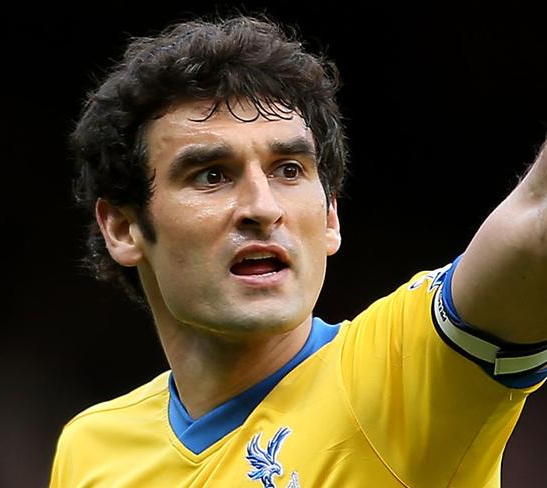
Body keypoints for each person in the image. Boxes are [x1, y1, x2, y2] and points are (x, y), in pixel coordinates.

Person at [49, 14, 547, 488]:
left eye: (289, 169)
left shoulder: (395, 375)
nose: (262, 208)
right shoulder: (90, 450)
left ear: (330, 215)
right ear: (122, 227)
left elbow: (534, 225)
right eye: (212, 175)